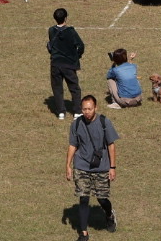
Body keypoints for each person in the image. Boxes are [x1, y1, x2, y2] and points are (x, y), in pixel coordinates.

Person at [65, 94, 119, 237]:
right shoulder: (76, 124)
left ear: (96, 107)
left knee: (102, 198)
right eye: (84, 109)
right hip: (82, 165)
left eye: (89, 109)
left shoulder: (104, 122)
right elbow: (72, 145)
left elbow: (111, 145)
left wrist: (112, 167)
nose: (87, 112)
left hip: (101, 166)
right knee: (83, 198)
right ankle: (83, 233)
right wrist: (68, 166)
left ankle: (109, 214)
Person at [49, 8, 86, 120]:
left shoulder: (51, 30)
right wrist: (77, 56)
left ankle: (61, 112)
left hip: (55, 63)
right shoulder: (70, 31)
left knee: (57, 88)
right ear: (65, 18)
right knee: (74, 88)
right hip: (69, 64)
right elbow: (81, 45)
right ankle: (77, 111)